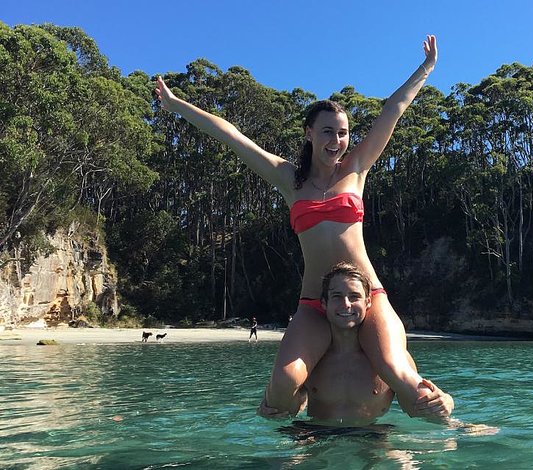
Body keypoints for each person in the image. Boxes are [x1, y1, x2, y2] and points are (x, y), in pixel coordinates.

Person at [155, 34, 446, 418]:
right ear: (309, 133)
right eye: (328, 131)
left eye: (342, 133)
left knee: (398, 374)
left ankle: (454, 425)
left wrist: (424, 69)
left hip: (368, 295)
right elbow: (231, 136)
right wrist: (177, 105)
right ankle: (300, 432)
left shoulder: (356, 169)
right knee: (280, 389)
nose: (337, 140)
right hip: (313, 302)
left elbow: (393, 109)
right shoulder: (289, 179)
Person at [262, 262, 498, 436]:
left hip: (373, 434)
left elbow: (418, 404)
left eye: (354, 297)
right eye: (337, 297)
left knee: (406, 463)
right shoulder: (310, 359)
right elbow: (289, 406)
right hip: (315, 434)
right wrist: (268, 408)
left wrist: (448, 403)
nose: (346, 304)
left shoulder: (390, 360)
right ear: (324, 304)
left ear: (367, 302)